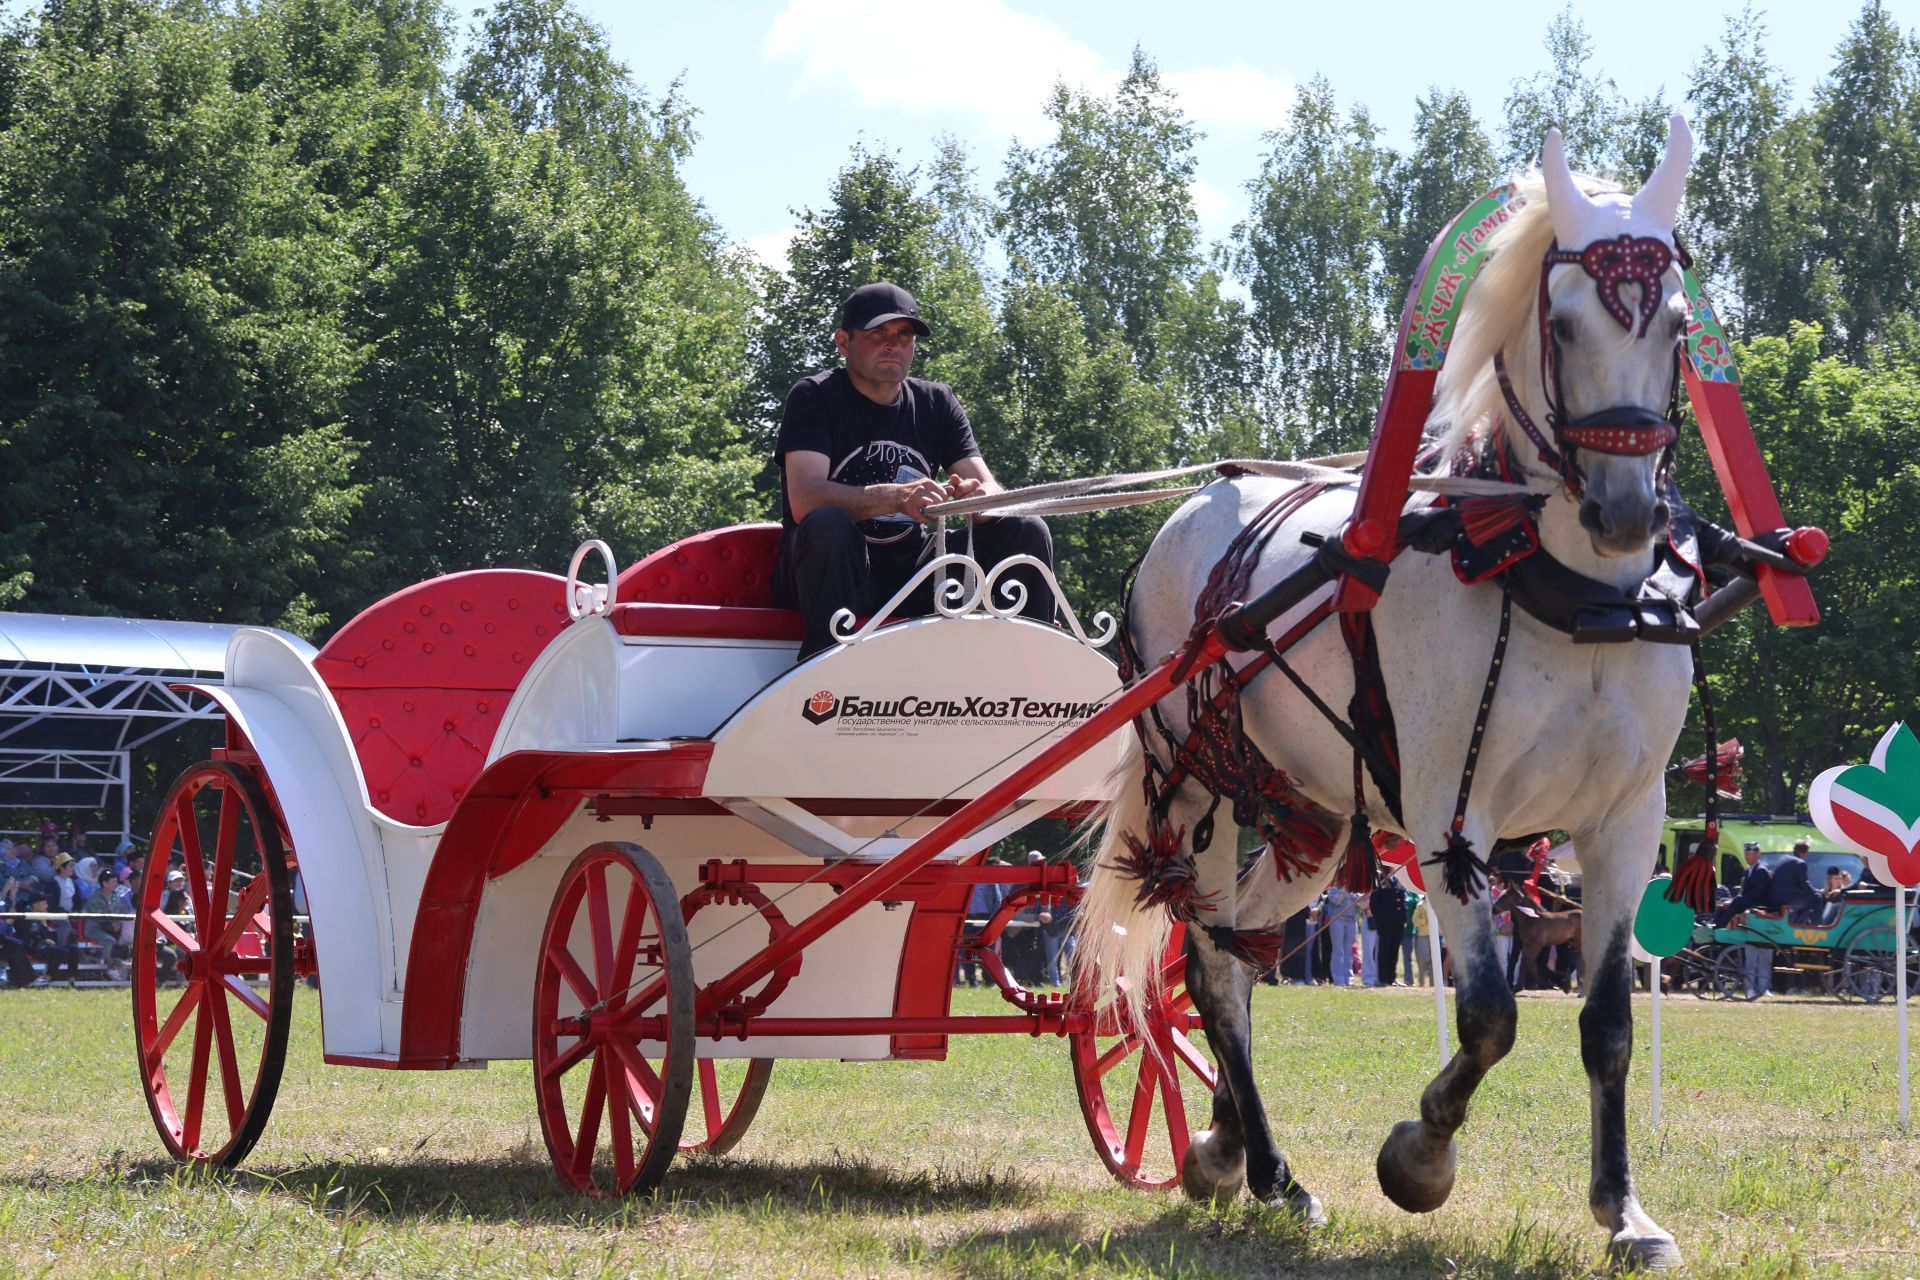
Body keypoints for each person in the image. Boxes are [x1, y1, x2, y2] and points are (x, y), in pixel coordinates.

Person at [771, 281, 1055, 661]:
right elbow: (805, 499)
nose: (893, 344)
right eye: (878, 333)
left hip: (914, 574)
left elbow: (988, 486)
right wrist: (896, 497)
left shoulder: (937, 401)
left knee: (1024, 527)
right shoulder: (814, 396)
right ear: (843, 342)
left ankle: (1033, 674)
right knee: (828, 525)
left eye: (904, 334)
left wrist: (978, 500)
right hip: (833, 572)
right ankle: (822, 671)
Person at [957, 857, 1006, 988]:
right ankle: (972, 980)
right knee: (967, 949)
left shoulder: (991, 882)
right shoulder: (967, 881)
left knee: (986, 950)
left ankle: (989, 980)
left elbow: (997, 901)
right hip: (968, 918)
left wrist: (995, 922)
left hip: (985, 919)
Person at [1370, 881, 1405, 986]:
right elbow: (1374, 902)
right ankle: (1383, 978)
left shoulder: (1398, 880)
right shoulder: (1381, 880)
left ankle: (1391, 978)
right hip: (1385, 922)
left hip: (1398, 922)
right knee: (1384, 949)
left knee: (1394, 950)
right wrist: (1380, 919)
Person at [1323, 884, 1358, 986]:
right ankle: (1338, 979)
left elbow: (1358, 901)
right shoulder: (1334, 887)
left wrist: (1355, 894)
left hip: (1351, 920)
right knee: (1338, 950)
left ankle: (1349, 978)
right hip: (1337, 919)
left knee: (1349, 950)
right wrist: (1344, 890)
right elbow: (1335, 900)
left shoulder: (1354, 886)